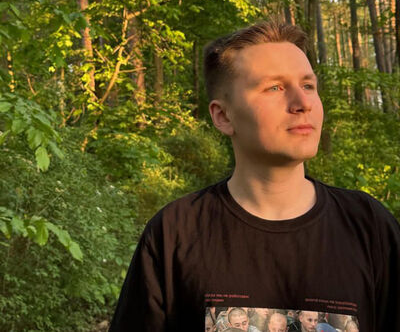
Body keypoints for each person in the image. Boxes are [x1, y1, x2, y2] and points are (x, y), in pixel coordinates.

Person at [109, 21, 400, 332]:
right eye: (274, 88)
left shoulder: (370, 227)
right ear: (223, 116)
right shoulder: (175, 234)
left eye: (308, 86)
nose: (303, 103)